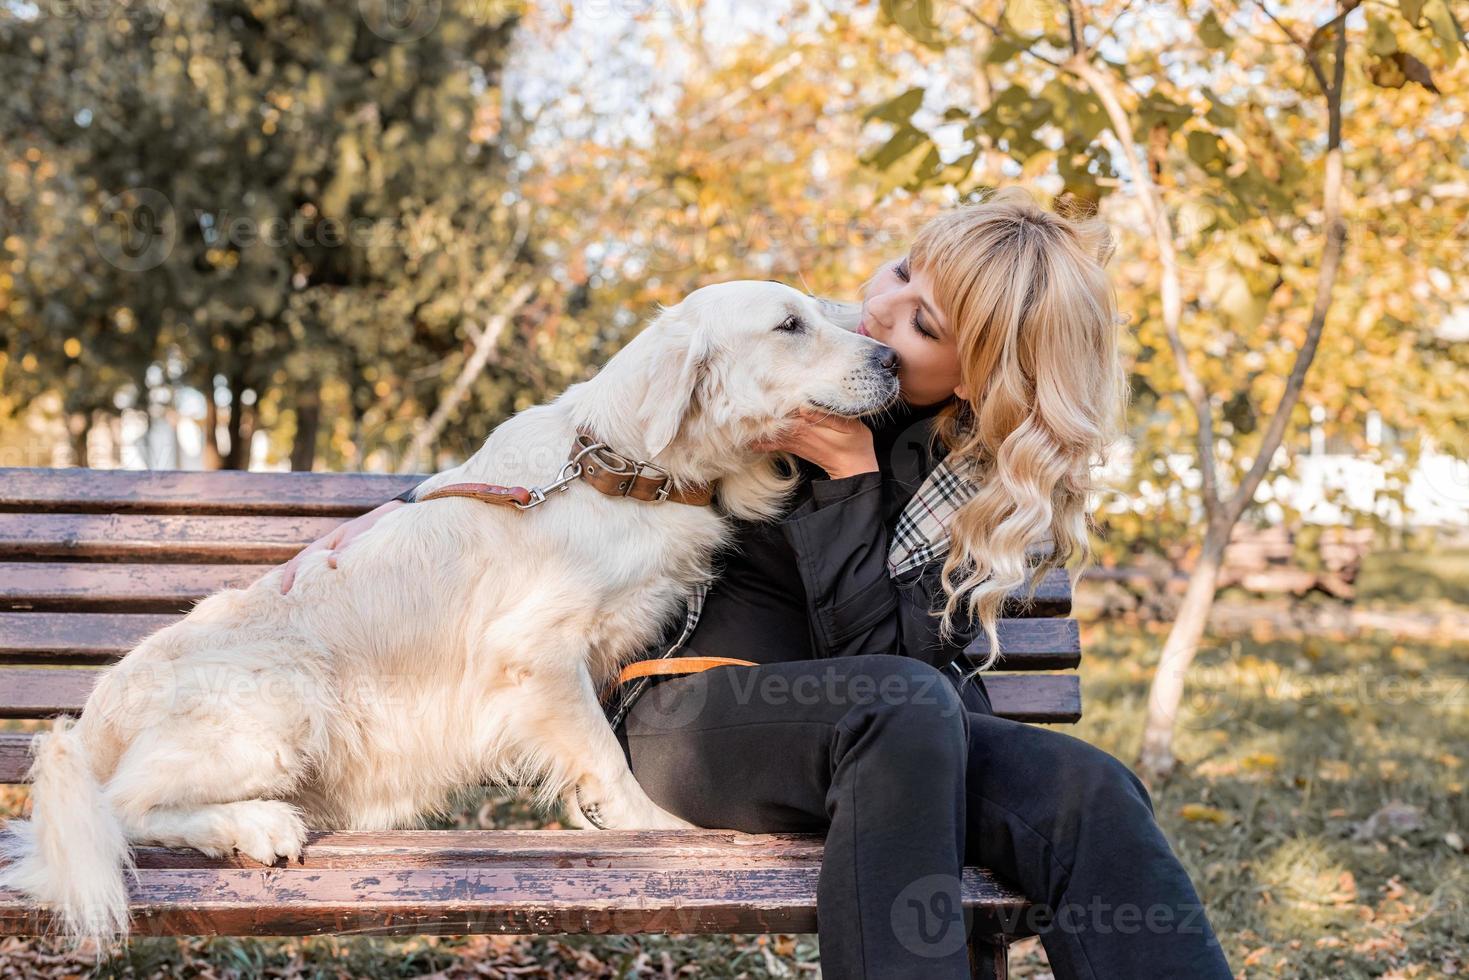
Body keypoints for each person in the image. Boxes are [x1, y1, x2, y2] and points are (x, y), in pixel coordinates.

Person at [280, 188, 1234, 979]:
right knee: (898, 709)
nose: (877, 314)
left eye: (923, 322)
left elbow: (903, 677)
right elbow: (603, 424)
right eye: (901, 272)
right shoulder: (792, 347)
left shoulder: (981, 482)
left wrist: (855, 483)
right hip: (690, 718)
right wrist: (415, 499)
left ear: (983, 378)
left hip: (890, 735)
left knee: (1088, 788)